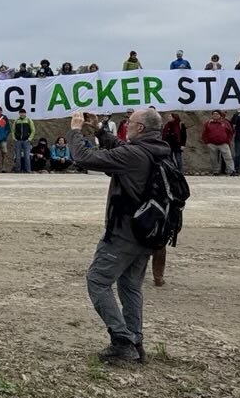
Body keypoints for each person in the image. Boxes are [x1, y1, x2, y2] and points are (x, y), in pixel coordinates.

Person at [66, 108, 173, 364]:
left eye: (130, 122)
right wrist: (100, 129)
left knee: (98, 281)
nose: (126, 126)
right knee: (130, 286)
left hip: (123, 232)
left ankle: (122, 340)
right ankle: (135, 339)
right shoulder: (159, 151)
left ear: (141, 129)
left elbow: (85, 158)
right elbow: (121, 148)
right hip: (146, 232)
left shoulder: (135, 154)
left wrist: (75, 131)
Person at [200, 111, 235, 175]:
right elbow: (204, 133)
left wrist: (227, 140)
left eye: (217, 114)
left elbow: (230, 132)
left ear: (220, 115)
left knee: (228, 157)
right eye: (214, 114)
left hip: (223, 143)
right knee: (213, 158)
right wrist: (207, 142)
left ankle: (231, 170)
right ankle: (215, 171)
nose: (215, 115)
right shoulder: (208, 123)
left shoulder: (225, 123)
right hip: (212, 144)